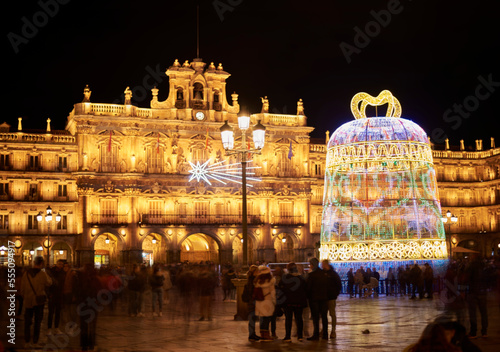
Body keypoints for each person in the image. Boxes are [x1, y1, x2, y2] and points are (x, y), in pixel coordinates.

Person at [21, 256, 52, 349]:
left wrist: (26, 296)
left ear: (34, 263)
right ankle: (35, 341)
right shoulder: (42, 274)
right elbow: (49, 283)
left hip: (28, 301)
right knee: (37, 322)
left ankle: (27, 341)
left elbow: (22, 289)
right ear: (41, 264)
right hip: (39, 301)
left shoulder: (26, 274)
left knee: (27, 322)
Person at [75, 263, 103, 351]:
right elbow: (101, 292)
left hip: (83, 304)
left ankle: (84, 345)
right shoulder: (96, 279)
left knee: (83, 325)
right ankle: (91, 344)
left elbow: (78, 291)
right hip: (93, 305)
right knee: (92, 326)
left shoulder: (81, 279)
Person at [278, 262, 307, 342]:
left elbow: (280, 289)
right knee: (299, 319)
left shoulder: (285, 277)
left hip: (288, 302)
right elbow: (305, 289)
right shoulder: (301, 278)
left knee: (288, 319)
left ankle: (288, 336)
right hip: (299, 302)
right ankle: (300, 336)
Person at [465, 254, 489, 338]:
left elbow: (467, 278)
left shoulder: (471, 266)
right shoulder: (485, 266)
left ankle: (473, 331)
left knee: (473, 313)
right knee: (483, 312)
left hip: (473, 291)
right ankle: (484, 331)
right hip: (482, 292)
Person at [306, 257, 329, 340]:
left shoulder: (312, 275)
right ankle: (325, 334)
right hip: (324, 299)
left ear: (312, 265)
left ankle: (316, 334)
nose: (310, 266)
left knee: (316, 318)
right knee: (324, 317)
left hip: (314, 299)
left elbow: (308, 288)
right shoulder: (324, 274)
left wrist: (308, 297)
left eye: (310, 264)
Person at [254, 265, 276, 342]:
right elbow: (273, 292)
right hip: (267, 300)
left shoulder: (257, 280)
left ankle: (262, 334)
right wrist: (274, 301)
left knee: (262, 319)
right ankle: (266, 336)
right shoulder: (270, 281)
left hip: (259, 301)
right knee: (267, 318)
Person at [322, 260, 342, 339]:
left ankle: (333, 330)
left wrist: (335, 294)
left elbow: (339, 285)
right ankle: (324, 330)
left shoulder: (333, 274)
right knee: (323, 314)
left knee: (332, 314)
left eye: (323, 264)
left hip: (331, 297)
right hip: (323, 297)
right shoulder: (322, 273)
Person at [47, 259, 66, 335]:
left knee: (58, 312)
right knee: (51, 312)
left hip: (59, 295)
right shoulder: (51, 272)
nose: (60, 265)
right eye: (59, 264)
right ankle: (49, 329)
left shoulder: (63, 273)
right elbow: (47, 284)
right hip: (52, 295)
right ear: (56, 264)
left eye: (62, 264)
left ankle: (56, 328)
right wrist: (49, 294)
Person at [245, 265, 260, 341]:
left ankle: (253, 334)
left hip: (252, 301)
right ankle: (251, 335)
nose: (258, 273)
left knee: (253, 318)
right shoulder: (252, 280)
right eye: (257, 271)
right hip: (252, 302)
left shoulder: (251, 279)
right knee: (252, 318)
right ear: (254, 272)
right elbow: (251, 292)